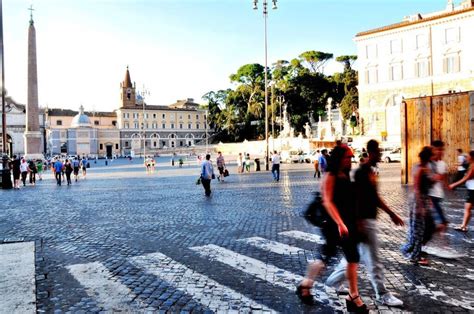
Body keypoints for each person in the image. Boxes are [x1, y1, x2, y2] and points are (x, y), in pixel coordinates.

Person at [325, 140, 404, 307]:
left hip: (362, 220)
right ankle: (381, 294)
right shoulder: (361, 172)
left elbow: (370, 196)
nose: (381, 155)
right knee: (372, 259)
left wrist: (391, 214)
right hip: (364, 220)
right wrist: (356, 221)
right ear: (371, 152)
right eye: (378, 152)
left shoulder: (366, 171)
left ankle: (332, 282)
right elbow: (356, 199)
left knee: (352, 258)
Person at [297, 145, 368, 313]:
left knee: (350, 258)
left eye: (351, 157)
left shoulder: (344, 174)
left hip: (346, 224)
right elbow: (328, 201)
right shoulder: (330, 175)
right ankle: (307, 285)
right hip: (334, 224)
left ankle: (351, 295)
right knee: (330, 258)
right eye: (346, 157)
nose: (350, 160)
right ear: (338, 158)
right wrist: (340, 223)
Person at [401, 146, 435, 265]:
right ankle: (411, 254)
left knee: (419, 231)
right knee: (418, 232)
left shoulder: (424, 168)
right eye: (432, 155)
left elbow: (425, 187)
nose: (433, 157)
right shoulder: (420, 169)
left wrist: (428, 200)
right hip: (418, 202)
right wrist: (421, 206)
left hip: (422, 200)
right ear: (428, 157)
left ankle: (413, 253)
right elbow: (416, 188)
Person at [449, 150, 474, 232]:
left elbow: (465, 179)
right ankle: (463, 226)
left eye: (468, 156)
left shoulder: (473, 166)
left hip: (473, 190)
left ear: (472, 157)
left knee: (467, 208)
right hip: (471, 189)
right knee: (468, 207)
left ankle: (463, 226)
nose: (466, 158)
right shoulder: (471, 165)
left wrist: (453, 185)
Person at [428, 141, 449, 230]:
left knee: (436, 210)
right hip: (429, 193)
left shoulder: (443, 164)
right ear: (432, 150)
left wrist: (447, 185)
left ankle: (441, 223)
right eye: (437, 149)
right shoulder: (427, 163)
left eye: (441, 150)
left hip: (438, 193)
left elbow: (443, 178)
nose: (440, 152)